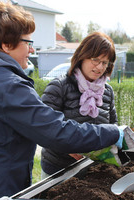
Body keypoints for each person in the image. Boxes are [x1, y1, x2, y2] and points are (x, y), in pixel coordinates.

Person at [0, 2, 124, 200]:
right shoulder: (7, 85)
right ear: (6, 45)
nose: (31, 50)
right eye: (28, 43)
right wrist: (113, 132)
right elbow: (56, 131)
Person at [40, 32, 118, 177]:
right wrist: (68, 149)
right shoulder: (59, 87)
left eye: (105, 62)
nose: (100, 67)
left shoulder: (107, 91)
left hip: (92, 170)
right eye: (95, 60)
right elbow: (44, 130)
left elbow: (112, 125)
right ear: (82, 56)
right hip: (58, 170)